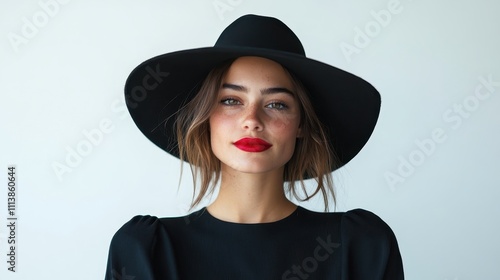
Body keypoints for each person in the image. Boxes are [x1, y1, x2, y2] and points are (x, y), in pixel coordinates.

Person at [105, 14, 404, 279]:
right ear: (206, 116)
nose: (252, 120)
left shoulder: (360, 246)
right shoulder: (145, 252)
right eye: (231, 101)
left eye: (276, 104)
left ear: (301, 124)